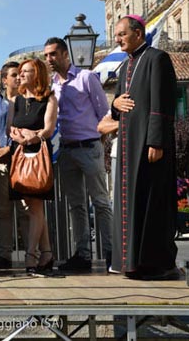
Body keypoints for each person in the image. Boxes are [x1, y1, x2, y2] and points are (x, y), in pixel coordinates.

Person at [111, 15, 179, 280]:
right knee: (130, 203)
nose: (117, 40)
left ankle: (155, 264)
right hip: (129, 145)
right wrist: (114, 105)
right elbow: (117, 102)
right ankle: (130, 263)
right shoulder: (125, 67)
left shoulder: (157, 59)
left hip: (149, 146)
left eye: (121, 34)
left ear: (138, 33)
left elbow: (162, 102)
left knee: (151, 202)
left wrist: (156, 140)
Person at [44, 37, 112, 272]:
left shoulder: (86, 78)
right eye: (46, 56)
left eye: (52, 54)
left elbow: (104, 114)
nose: (49, 59)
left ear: (65, 54)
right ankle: (82, 255)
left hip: (89, 147)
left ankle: (113, 253)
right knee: (76, 206)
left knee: (101, 202)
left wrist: (96, 143)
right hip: (66, 150)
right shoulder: (52, 86)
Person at [9, 59, 58, 273]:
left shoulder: (49, 98)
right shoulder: (17, 100)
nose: (20, 75)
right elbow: (10, 127)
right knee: (32, 207)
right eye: (20, 72)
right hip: (19, 154)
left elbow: (48, 129)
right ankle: (46, 253)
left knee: (35, 207)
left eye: (26, 71)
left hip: (38, 154)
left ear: (36, 74)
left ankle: (31, 255)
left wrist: (33, 137)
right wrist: (19, 136)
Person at [0, 62, 29, 271]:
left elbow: (29, 128)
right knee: (2, 211)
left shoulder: (27, 101)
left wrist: (10, 149)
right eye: (14, 75)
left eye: (20, 74)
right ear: (4, 80)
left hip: (21, 161)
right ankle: (4, 255)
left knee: (25, 210)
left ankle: (32, 254)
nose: (18, 78)